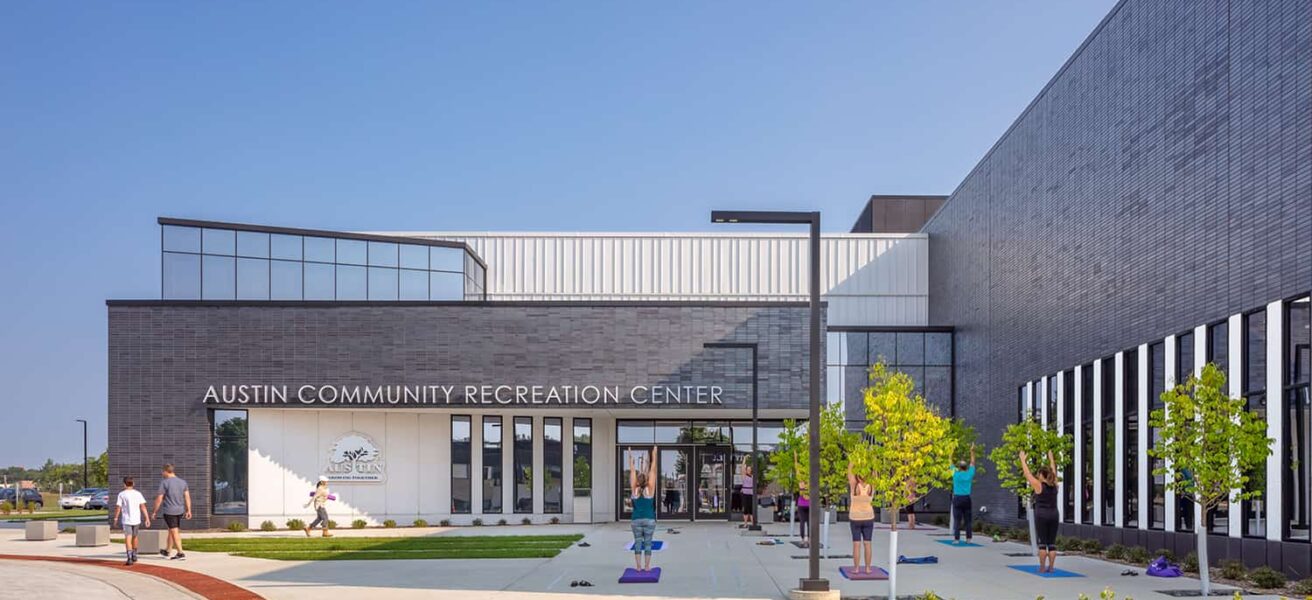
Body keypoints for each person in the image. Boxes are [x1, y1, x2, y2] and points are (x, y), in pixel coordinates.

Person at [1020, 450, 1060, 573]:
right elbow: (1053, 472)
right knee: (1052, 543)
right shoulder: (1055, 485)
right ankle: (1052, 567)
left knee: (1043, 543)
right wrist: (1051, 459)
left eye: (1038, 474)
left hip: (1042, 515)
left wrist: (1022, 460)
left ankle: (1042, 567)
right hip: (1054, 514)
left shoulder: (1039, 485)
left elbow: (1027, 474)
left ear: (1042, 475)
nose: (1037, 476)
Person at [151, 464, 191, 560]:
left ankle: (180, 552)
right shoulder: (183, 482)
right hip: (180, 510)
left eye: (162, 471)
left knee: (174, 531)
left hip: (170, 511)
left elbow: (159, 498)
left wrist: (154, 511)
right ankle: (168, 550)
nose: (162, 473)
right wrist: (188, 510)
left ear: (166, 471)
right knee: (171, 530)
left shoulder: (165, 483)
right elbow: (187, 497)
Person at [629, 446, 658, 572]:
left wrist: (630, 456)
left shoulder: (634, 490)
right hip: (649, 520)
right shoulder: (650, 489)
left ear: (637, 481)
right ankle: (647, 567)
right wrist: (654, 454)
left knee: (637, 543)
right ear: (646, 480)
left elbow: (631, 471)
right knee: (648, 544)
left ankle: (638, 567)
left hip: (636, 520)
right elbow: (652, 470)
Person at [113, 477, 150, 566]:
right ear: (133, 484)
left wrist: (116, 518)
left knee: (128, 537)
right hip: (136, 519)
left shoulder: (121, 494)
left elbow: (118, 507)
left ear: (124, 484)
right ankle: (134, 554)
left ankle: (129, 558)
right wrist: (147, 518)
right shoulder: (138, 494)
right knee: (135, 536)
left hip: (127, 520)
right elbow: (143, 507)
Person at [847, 461, 876, 574]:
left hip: (855, 518)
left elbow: (849, 471)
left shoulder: (854, 485)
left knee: (856, 544)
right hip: (869, 517)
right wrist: (871, 460)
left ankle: (857, 568)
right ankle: (868, 568)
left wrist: (853, 460)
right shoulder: (872, 485)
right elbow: (875, 472)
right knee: (868, 543)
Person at [951, 445, 977, 543]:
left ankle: (956, 539)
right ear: (966, 467)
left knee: (957, 520)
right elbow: (973, 462)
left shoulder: (955, 474)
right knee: (968, 520)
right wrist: (972, 451)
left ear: (959, 467)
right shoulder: (969, 473)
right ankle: (968, 538)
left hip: (957, 498)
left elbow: (950, 462)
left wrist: (951, 452)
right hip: (966, 498)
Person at [792, 452, 811, 547]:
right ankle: (803, 539)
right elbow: (797, 469)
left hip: (809, 505)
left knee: (809, 523)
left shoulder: (810, 481)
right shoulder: (801, 481)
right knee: (803, 522)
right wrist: (796, 458)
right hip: (802, 505)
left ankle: (809, 539)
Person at [741, 458, 755, 528]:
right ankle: (745, 523)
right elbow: (742, 468)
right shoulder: (744, 476)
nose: (749, 471)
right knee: (746, 509)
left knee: (751, 509)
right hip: (745, 494)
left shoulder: (753, 477)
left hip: (751, 494)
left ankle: (752, 523)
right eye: (748, 469)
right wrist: (744, 459)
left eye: (750, 470)